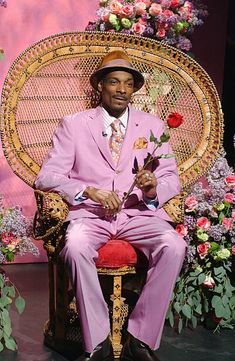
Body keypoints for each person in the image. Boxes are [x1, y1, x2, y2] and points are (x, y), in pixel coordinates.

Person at [35, 50, 186, 361]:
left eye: (128, 84)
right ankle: (98, 342)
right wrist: (86, 190)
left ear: (134, 89)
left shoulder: (153, 126)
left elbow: (172, 177)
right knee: (75, 245)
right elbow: (47, 176)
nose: (121, 89)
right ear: (99, 86)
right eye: (114, 82)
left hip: (137, 213)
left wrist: (154, 188)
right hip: (91, 216)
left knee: (174, 245)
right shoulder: (74, 124)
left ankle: (140, 338)